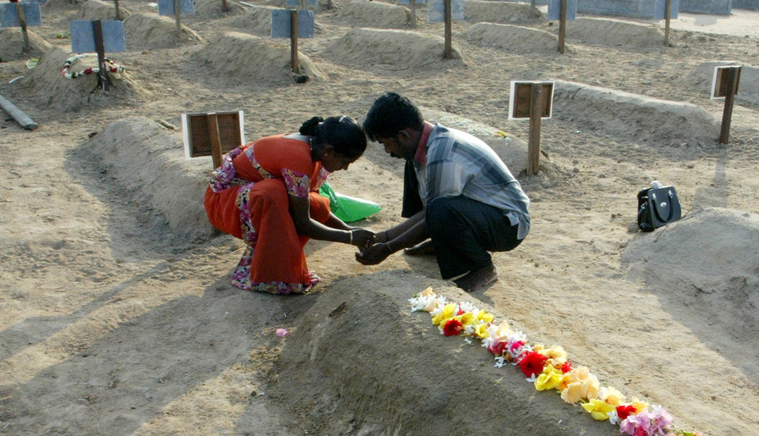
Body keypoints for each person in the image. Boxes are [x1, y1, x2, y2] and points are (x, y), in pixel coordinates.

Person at [356, 93, 530, 292]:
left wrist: (387, 247)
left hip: (508, 225)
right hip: (480, 210)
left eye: (386, 143)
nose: (387, 150)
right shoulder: (427, 140)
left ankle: (483, 268)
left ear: (404, 135)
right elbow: (429, 212)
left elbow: (434, 213)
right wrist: (382, 238)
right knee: (415, 172)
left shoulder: (441, 155)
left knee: (441, 209)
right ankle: (440, 242)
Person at [204, 116, 374, 294]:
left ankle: (270, 263)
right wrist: (350, 238)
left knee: (318, 205)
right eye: (344, 162)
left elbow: (308, 210)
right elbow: (303, 222)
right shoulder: (298, 157)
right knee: (272, 193)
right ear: (328, 151)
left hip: (245, 198)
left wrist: (351, 232)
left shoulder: (313, 149)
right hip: (223, 203)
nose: (345, 168)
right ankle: (271, 274)